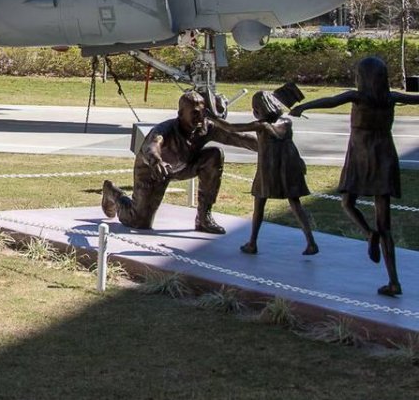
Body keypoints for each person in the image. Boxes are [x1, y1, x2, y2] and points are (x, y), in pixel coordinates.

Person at [290, 56, 417, 297]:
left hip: (360, 154)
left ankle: (369, 234)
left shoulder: (358, 97)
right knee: (385, 224)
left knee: (348, 202)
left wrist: (303, 107)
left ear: (362, 77)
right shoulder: (390, 98)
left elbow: (330, 101)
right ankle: (394, 280)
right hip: (384, 156)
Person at [101, 90, 257, 234]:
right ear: (181, 114)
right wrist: (157, 162)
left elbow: (239, 138)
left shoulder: (206, 127)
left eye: (203, 113)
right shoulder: (165, 129)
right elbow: (152, 146)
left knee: (215, 155)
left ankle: (203, 217)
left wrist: (266, 147)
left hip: (183, 167)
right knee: (139, 222)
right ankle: (113, 193)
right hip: (153, 171)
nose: (200, 117)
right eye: (195, 113)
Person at [208, 91, 318, 256]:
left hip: (269, 168)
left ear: (259, 109)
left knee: (259, 204)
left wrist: (212, 118)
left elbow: (231, 128)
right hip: (288, 165)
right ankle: (311, 242)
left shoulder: (261, 125)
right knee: (295, 203)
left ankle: (252, 243)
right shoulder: (287, 122)